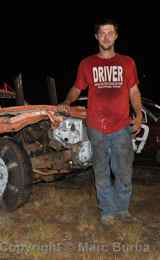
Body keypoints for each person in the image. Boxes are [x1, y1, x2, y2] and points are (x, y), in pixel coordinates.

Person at [58, 18, 142, 225]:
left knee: (123, 170)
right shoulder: (87, 63)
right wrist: (67, 101)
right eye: (102, 33)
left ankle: (122, 209)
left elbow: (134, 91)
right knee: (101, 169)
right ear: (96, 37)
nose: (106, 37)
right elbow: (77, 87)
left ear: (116, 36)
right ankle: (107, 211)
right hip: (96, 126)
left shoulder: (127, 62)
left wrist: (138, 114)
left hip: (121, 125)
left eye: (110, 33)